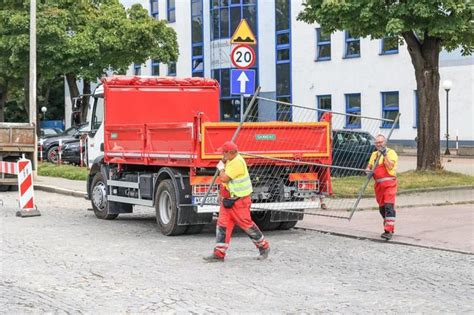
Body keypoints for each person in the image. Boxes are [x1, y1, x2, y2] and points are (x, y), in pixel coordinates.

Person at [203, 141, 270, 262]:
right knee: (222, 226)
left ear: (231, 153)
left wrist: (221, 167)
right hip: (228, 201)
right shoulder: (230, 160)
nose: (222, 155)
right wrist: (220, 194)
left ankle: (264, 246)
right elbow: (225, 183)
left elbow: (224, 178)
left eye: (224, 153)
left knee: (247, 225)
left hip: (239, 202)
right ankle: (219, 253)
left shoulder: (237, 162)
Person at [366, 134, 398, 240]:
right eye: (377, 143)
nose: (379, 144)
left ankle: (388, 231)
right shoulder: (374, 154)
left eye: (381, 142)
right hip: (379, 186)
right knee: (382, 208)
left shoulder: (391, 153)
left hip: (390, 184)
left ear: (385, 142)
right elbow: (369, 167)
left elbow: (390, 166)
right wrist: (368, 172)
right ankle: (388, 224)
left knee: (389, 206)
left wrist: (385, 156)